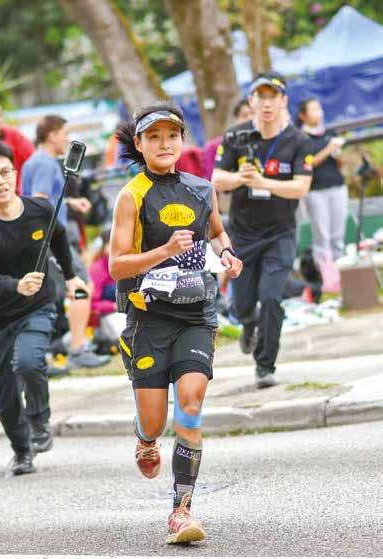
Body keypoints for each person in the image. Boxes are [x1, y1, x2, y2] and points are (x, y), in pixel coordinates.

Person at [110, 101, 242, 544]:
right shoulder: (131, 196)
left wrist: (227, 254)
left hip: (195, 313)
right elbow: (116, 265)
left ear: (182, 141)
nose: (164, 144)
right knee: (155, 421)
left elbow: (216, 232)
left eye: (171, 136)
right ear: (139, 143)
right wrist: (164, 251)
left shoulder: (202, 189)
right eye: (154, 137)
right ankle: (145, 437)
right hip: (148, 319)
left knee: (190, 404)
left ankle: (181, 511)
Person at [0, 141, 89, 475]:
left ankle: (40, 421)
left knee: (30, 362)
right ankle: (22, 450)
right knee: (3, 395)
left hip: (36, 307)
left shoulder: (40, 210)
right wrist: (16, 285)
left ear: (15, 174)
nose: (0, 180)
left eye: (5, 172)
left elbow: (59, 238)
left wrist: (71, 276)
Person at [212, 72, 313, 389]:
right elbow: (217, 179)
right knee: (242, 304)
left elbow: (301, 187)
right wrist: (241, 178)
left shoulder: (298, 141)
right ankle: (248, 323)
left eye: (273, 97)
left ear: (283, 101)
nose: (267, 104)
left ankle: (265, 365)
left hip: (280, 233)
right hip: (243, 232)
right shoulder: (235, 136)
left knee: (271, 297)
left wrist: (263, 182)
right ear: (251, 101)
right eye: (261, 97)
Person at [22, 115, 109, 369]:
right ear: (51, 135)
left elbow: (40, 198)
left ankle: (49, 353)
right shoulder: (45, 164)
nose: (67, 139)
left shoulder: (33, 162)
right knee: (82, 287)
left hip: (43, 239)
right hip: (50, 239)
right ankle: (77, 349)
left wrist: (70, 203)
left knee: (51, 296)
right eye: (64, 133)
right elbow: (39, 201)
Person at [296, 98, 348, 291]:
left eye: (319, 108)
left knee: (338, 234)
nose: (319, 113)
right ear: (303, 115)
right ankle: (328, 280)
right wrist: (328, 150)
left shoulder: (330, 133)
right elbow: (307, 163)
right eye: (314, 109)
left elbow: (339, 164)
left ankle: (344, 276)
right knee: (322, 236)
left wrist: (338, 154)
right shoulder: (300, 137)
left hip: (337, 186)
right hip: (315, 191)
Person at [88, 226, 117, 325]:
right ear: (105, 246)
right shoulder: (97, 269)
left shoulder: (125, 264)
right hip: (105, 317)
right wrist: (113, 306)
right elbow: (91, 303)